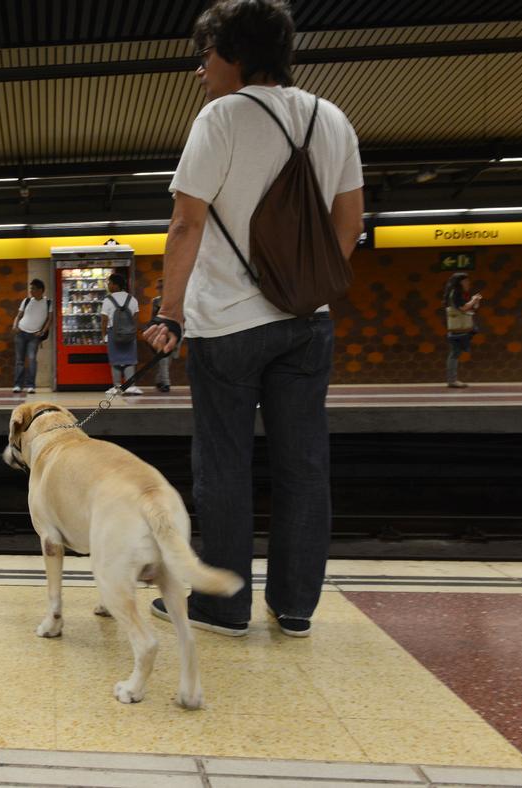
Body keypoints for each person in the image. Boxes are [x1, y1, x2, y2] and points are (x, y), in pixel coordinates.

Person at [142, 0, 365, 639]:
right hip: (307, 322)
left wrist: (170, 312)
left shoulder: (221, 118)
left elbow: (186, 222)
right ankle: (294, 607)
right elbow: (349, 225)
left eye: (205, 55)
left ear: (234, 55)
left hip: (225, 326)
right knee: (303, 465)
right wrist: (304, 287)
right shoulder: (333, 118)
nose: (200, 70)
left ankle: (223, 604)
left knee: (225, 465)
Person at [100, 273, 142, 396]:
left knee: (115, 360)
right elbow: (136, 318)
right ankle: (131, 387)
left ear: (115, 285)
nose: (108, 285)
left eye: (110, 283)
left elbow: (104, 320)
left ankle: (117, 386)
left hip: (114, 333)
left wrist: (103, 336)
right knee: (130, 359)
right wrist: (133, 332)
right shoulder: (132, 299)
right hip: (130, 334)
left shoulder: (108, 300)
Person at [443, 272, 482, 388]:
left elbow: (469, 308)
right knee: (455, 353)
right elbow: (463, 308)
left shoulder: (458, 293)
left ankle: (452, 379)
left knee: (456, 352)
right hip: (458, 329)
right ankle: (452, 380)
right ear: (461, 282)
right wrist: (473, 300)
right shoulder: (455, 293)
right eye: (466, 281)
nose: (468, 283)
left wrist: (475, 301)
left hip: (460, 329)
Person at [12, 279, 50, 394]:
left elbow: (50, 320)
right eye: (30, 288)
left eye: (33, 288)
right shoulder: (26, 301)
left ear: (40, 290)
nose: (31, 291)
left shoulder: (48, 302)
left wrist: (42, 332)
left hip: (34, 335)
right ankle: (18, 385)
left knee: (32, 359)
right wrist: (15, 325)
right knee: (20, 360)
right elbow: (18, 316)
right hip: (21, 333)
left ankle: (31, 385)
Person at [150, 278, 176, 392]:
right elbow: (153, 317)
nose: (158, 289)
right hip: (160, 332)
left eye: (161, 287)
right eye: (158, 287)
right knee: (163, 357)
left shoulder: (174, 300)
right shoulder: (155, 301)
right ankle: (166, 383)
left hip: (174, 332)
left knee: (169, 359)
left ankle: (159, 380)